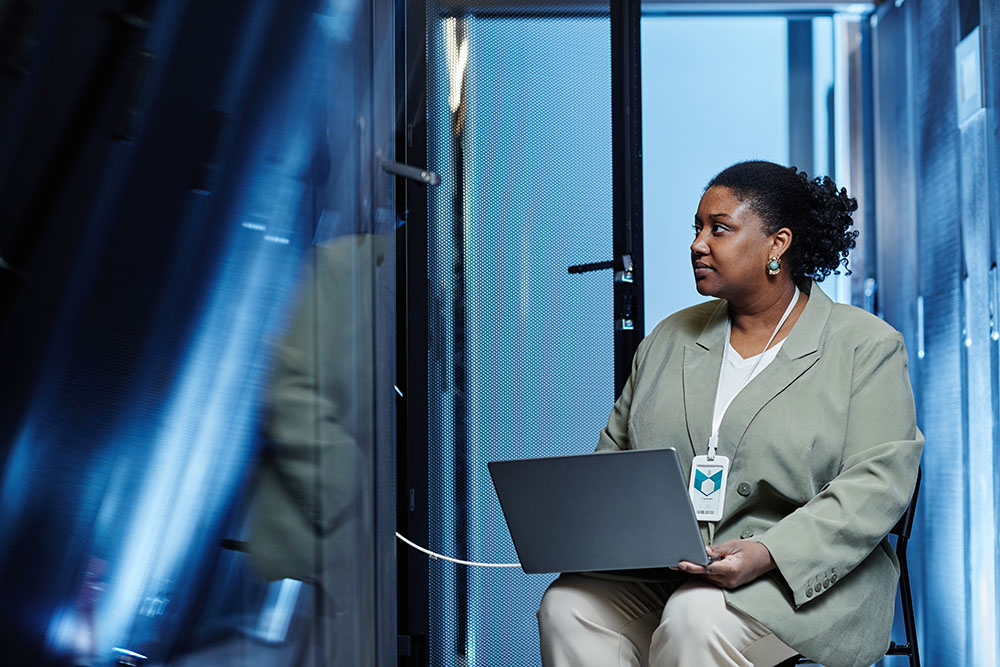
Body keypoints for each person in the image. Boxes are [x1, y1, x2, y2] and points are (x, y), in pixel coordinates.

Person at [536, 160, 923, 667]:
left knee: (695, 619)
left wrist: (767, 554)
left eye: (719, 228)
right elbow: (615, 460)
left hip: (797, 578)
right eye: (697, 228)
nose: (698, 243)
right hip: (669, 572)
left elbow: (878, 484)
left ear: (777, 245)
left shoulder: (864, 346)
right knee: (568, 606)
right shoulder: (668, 340)